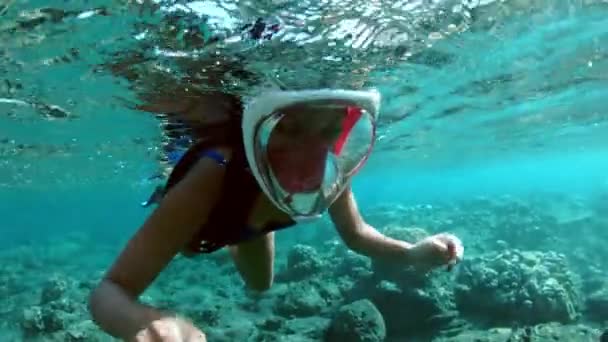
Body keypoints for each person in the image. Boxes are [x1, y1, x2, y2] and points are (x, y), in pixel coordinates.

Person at [88, 86, 464, 342]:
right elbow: (108, 292)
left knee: (261, 286)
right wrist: (146, 324)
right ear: (259, 131)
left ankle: (244, 237)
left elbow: (357, 234)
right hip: (203, 227)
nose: (308, 161)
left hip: (251, 228)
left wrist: (411, 252)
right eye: (290, 130)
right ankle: (173, 187)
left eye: (329, 131)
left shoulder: (331, 171)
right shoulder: (216, 171)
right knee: (187, 247)